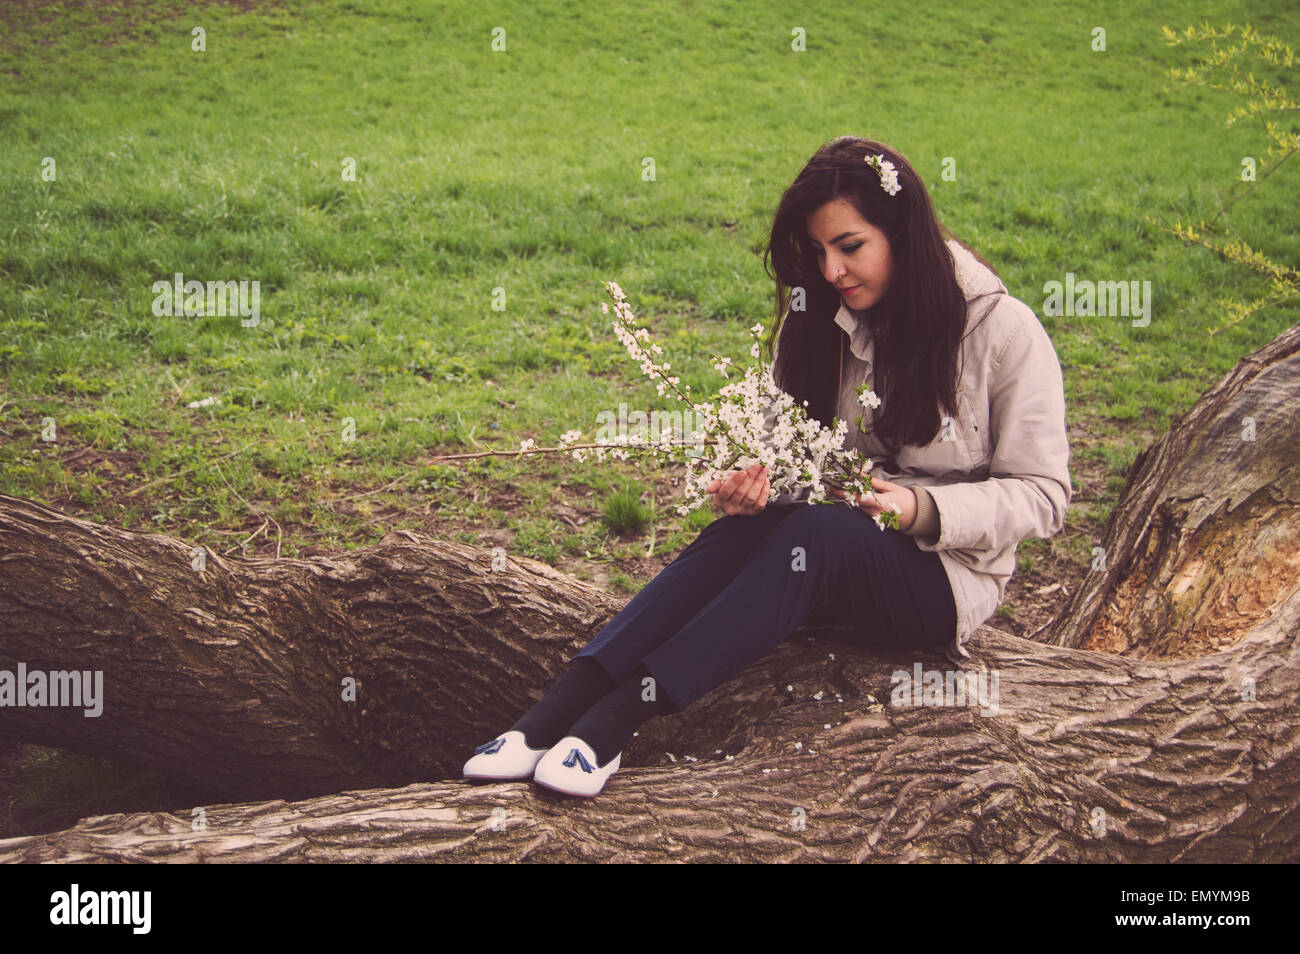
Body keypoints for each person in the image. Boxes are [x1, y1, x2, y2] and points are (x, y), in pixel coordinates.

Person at [463, 135, 1072, 797]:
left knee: (821, 536)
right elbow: (786, 443)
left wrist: (920, 508)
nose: (832, 270)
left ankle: (616, 721)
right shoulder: (817, 317)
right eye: (817, 251)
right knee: (741, 533)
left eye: (850, 245)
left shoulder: (1004, 332)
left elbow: (1044, 494)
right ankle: (552, 713)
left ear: (902, 231)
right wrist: (752, 479)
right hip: (830, 539)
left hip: (941, 579)